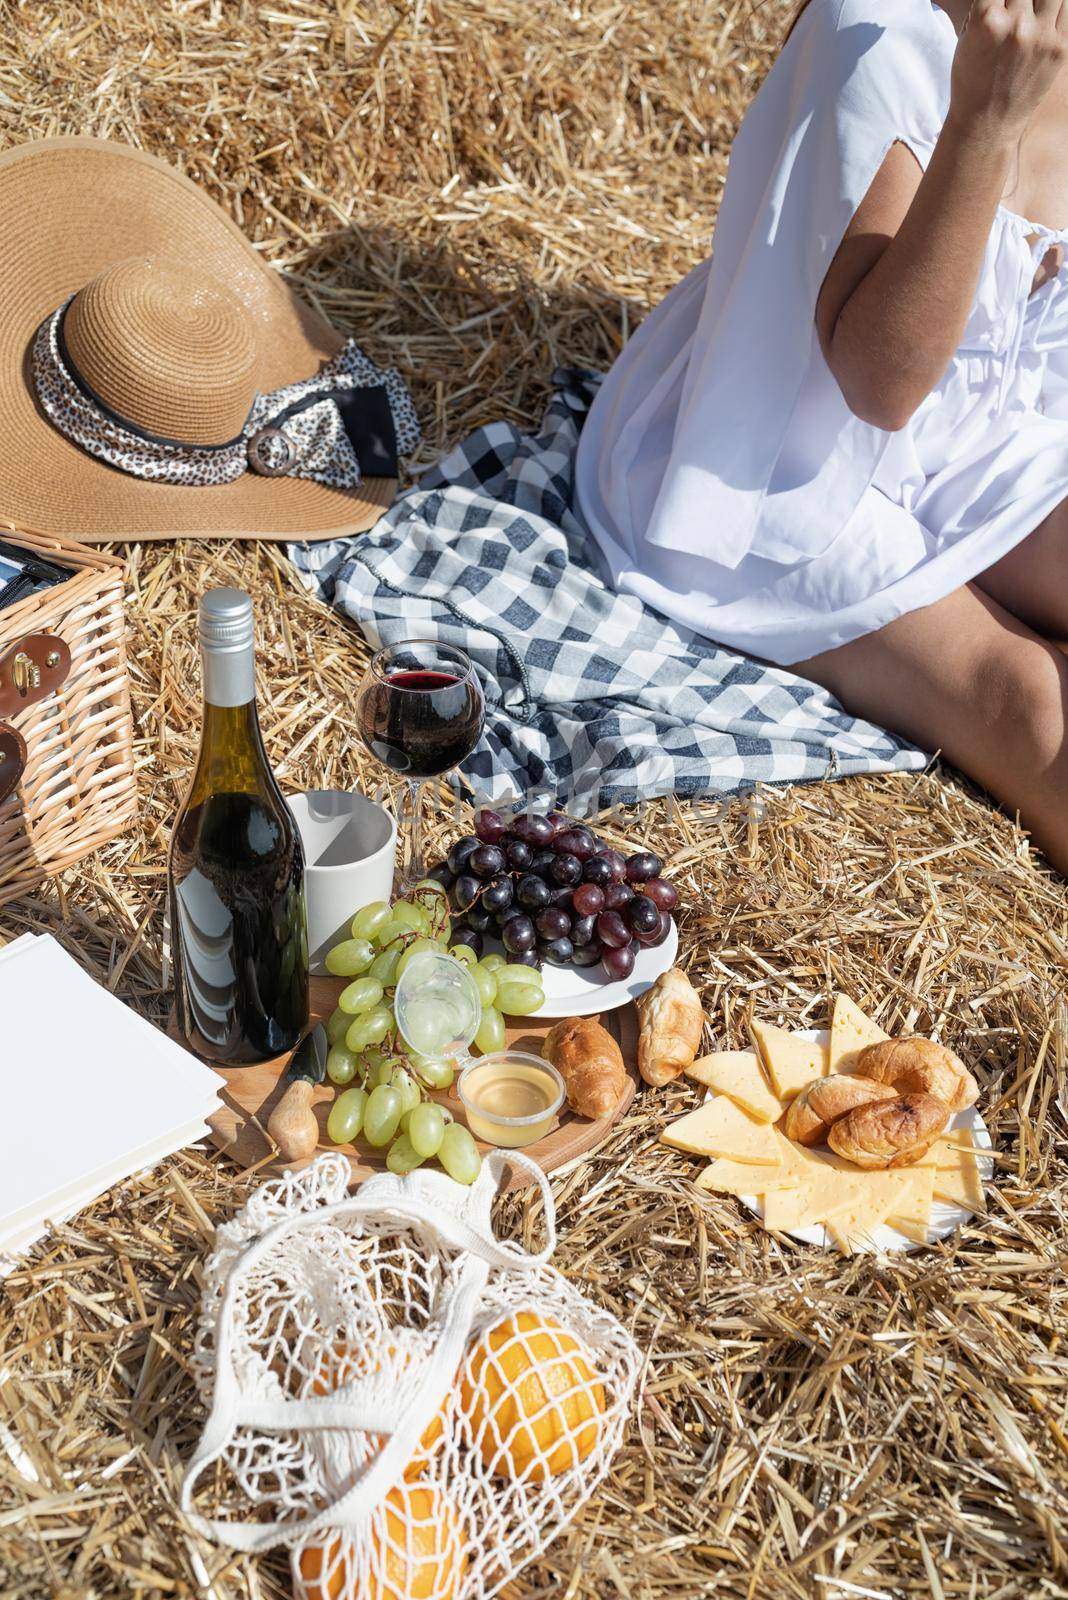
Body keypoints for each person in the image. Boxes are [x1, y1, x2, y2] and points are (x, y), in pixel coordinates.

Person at [575, 0, 1068, 873]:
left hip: (982, 434)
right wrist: (987, 119)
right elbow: (881, 385)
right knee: (1034, 705)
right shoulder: (875, 30)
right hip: (781, 464)